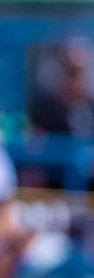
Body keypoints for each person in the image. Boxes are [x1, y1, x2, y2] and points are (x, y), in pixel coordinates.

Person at [26, 37, 94, 193]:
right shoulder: (46, 108)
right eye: (70, 72)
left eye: (78, 71)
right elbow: (35, 148)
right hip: (56, 188)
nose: (75, 78)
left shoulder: (91, 106)